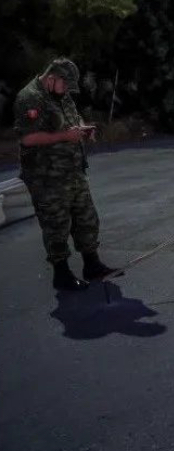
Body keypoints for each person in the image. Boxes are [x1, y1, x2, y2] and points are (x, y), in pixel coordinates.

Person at [13, 59, 119, 291]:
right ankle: (61, 275)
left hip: (72, 169)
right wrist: (64, 136)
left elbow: (73, 117)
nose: (67, 91)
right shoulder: (30, 98)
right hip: (46, 176)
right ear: (52, 78)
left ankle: (92, 265)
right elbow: (27, 138)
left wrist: (82, 129)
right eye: (65, 85)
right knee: (56, 224)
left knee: (86, 217)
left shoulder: (62, 94)